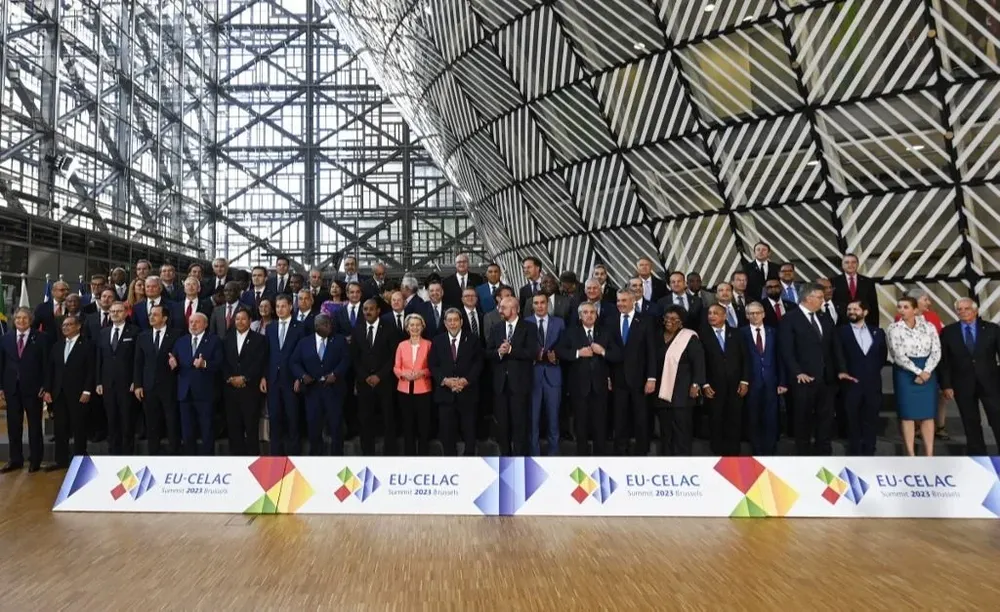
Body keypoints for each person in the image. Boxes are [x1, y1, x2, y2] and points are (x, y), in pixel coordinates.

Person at [779, 283, 850, 455]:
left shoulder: (824, 317)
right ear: (807, 298)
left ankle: (824, 453)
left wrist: (841, 369)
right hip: (804, 379)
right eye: (819, 297)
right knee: (803, 419)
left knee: (826, 419)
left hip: (827, 378)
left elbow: (835, 345)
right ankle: (803, 455)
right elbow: (786, 350)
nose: (822, 300)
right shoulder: (790, 318)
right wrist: (797, 372)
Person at [939, 298, 1000, 455]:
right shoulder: (948, 332)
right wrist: (946, 385)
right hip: (962, 383)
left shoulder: (992, 329)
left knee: (997, 418)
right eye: (959, 309)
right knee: (970, 421)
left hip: (990, 382)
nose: (963, 312)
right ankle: (978, 457)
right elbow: (944, 361)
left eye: (966, 308)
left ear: (975, 310)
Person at [556, 302, 618, 455]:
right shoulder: (570, 332)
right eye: (585, 312)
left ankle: (600, 460)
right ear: (580, 316)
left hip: (600, 387)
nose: (589, 315)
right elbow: (560, 351)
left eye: (592, 312)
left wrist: (603, 351)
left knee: (600, 427)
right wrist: (578, 353)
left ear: (597, 315)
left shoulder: (606, 332)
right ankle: (582, 460)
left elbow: (618, 355)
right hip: (579, 387)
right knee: (580, 426)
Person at [887, 296, 942, 457]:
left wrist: (926, 371)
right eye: (899, 307)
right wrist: (918, 372)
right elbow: (897, 354)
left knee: (928, 415)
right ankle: (910, 454)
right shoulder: (894, 328)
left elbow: (936, 350)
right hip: (905, 372)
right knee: (908, 415)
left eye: (906, 307)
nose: (901, 310)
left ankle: (929, 454)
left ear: (915, 310)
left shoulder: (929, 326)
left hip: (928, 370)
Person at [606, 289, 657, 456]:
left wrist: (651, 378)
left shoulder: (646, 321)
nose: (620, 304)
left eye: (624, 300)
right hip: (618, 378)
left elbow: (651, 351)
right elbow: (608, 349)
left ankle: (642, 452)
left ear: (633, 301)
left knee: (641, 417)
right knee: (619, 418)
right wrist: (607, 376)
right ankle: (620, 452)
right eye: (618, 300)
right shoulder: (611, 320)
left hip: (640, 379)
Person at [290, 314, 350, 455]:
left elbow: (346, 359)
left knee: (336, 427)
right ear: (317, 327)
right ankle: (316, 458)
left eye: (330, 323)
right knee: (314, 426)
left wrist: (335, 374)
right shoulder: (304, 342)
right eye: (325, 324)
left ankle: (337, 457)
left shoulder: (339, 340)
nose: (330, 326)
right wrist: (303, 376)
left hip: (334, 390)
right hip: (313, 391)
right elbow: (294, 362)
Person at [0, 308, 51, 473]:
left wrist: (46, 386)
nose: (21, 321)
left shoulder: (42, 338)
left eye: (25, 318)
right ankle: (15, 459)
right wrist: (1, 387)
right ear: (14, 320)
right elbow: (1, 364)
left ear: (31, 320)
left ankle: (35, 460)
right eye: (18, 318)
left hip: (34, 389)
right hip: (12, 389)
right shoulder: (5, 338)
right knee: (13, 426)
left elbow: (47, 364)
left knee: (35, 426)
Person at [487, 296, 538, 456]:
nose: (500, 310)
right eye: (500, 307)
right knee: (502, 425)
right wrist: (499, 352)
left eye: (503, 307)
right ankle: (505, 458)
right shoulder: (496, 328)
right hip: (500, 385)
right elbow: (488, 353)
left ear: (515, 309)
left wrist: (511, 350)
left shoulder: (529, 327)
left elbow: (532, 352)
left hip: (520, 384)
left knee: (520, 424)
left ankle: (519, 458)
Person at [651, 305, 705, 456]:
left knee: (682, 430)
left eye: (674, 319)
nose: (669, 321)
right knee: (665, 431)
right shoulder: (657, 336)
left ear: (681, 322)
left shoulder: (689, 337)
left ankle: (682, 461)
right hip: (662, 391)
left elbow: (698, 362)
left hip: (683, 391)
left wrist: (696, 384)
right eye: (667, 318)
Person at [429, 308, 484, 456]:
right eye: (449, 320)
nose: (452, 323)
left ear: (461, 322)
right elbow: (433, 365)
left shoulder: (472, 339)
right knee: (447, 433)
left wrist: (466, 380)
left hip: (467, 393)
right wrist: (445, 380)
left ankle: (469, 460)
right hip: (445, 394)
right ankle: (450, 462)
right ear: (445, 323)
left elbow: (478, 363)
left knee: (469, 431)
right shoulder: (437, 340)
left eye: (455, 320)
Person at [43, 315, 94, 470]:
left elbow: (91, 370)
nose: (65, 327)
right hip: (59, 394)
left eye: (69, 325)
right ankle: (61, 461)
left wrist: (87, 390)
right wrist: (47, 390)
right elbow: (50, 370)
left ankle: (80, 460)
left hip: (78, 393)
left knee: (79, 428)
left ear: (78, 326)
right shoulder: (57, 346)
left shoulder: (87, 345)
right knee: (60, 428)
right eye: (64, 325)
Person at [838, 300, 887, 456]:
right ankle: (855, 453)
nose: (851, 311)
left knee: (871, 420)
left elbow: (882, 356)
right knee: (852, 421)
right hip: (850, 384)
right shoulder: (841, 332)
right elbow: (838, 354)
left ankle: (870, 452)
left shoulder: (878, 332)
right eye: (849, 309)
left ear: (865, 312)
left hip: (873, 384)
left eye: (855, 309)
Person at [701, 304, 750, 456]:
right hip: (714, 386)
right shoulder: (702, 335)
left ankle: (733, 454)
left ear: (724, 316)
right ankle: (717, 453)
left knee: (734, 419)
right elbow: (700, 361)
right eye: (709, 313)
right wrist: (704, 383)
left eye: (715, 313)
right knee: (716, 419)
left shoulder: (736, 333)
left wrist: (745, 381)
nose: (711, 316)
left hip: (736, 386)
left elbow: (745, 358)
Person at [133, 304, 182, 455]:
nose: (151, 317)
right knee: (151, 422)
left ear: (165, 318)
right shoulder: (143, 336)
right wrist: (138, 385)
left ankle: (174, 452)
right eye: (150, 314)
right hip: (149, 386)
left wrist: (177, 364)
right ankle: (153, 453)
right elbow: (138, 362)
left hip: (170, 385)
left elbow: (182, 358)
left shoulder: (177, 335)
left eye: (155, 314)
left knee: (171, 420)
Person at [351, 299, 398, 455]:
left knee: (388, 419)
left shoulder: (390, 328)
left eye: (371, 309)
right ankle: (367, 454)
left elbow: (393, 356)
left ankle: (390, 454)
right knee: (365, 420)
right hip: (364, 382)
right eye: (365, 309)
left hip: (385, 381)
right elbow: (354, 357)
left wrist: (379, 375)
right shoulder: (357, 329)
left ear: (378, 311)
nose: (368, 312)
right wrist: (365, 376)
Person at [174, 312, 223, 455]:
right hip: (185, 393)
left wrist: (205, 364)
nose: (193, 325)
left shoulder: (214, 341)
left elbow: (220, 364)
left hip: (205, 393)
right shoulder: (181, 341)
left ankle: (208, 461)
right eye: (191, 322)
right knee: (187, 431)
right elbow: (176, 361)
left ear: (206, 324)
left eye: (197, 322)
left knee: (207, 430)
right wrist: (173, 364)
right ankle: (190, 461)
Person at [742, 302, 786, 455]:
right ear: (747, 315)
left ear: (763, 314)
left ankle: (770, 452)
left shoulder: (773, 332)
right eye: (751, 313)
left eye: (758, 313)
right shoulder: (741, 333)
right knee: (753, 417)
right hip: (751, 382)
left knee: (771, 418)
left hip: (771, 382)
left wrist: (782, 381)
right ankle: (757, 452)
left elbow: (780, 357)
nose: (755, 316)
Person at [96, 302, 140, 455]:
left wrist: (136, 381)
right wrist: (98, 381)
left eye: (118, 311)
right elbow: (99, 359)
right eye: (112, 311)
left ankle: (127, 455)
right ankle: (113, 454)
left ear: (126, 313)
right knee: (111, 420)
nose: (115, 314)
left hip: (127, 384)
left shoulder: (134, 331)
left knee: (127, 421)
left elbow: (137, 359)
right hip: (108, 384)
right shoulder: (103, 332)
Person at [263, 294, 305, 455]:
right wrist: (263, 377)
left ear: (290, 307)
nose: (280, 309)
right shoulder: (270, 328)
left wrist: (299, 377)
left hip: (291, 380)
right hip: (273, 380)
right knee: (275, 419)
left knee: (293, 419)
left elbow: (303, 355)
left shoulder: (300, 327)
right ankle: (276, 457)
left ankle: (294, 456)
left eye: (283, 306)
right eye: (277, 306)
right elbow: (266, 354)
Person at [223, 310, 268, 456]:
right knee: (233, 428)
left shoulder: (259, 339)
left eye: (243, 319)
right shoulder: (227, 339)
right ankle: (236, 460)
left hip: (250, 390)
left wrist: (245, 378)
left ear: (250, 321)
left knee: (251, 428)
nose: (240, 322)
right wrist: (231, 378)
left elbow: (260, 362)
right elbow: (223, 362)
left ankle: (252, 460)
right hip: (231, 391)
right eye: (237, 319)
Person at [525, 292, 564, 456]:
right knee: (532, 420)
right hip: (533, 376)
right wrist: (535, 355)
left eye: (542, 302)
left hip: (553, 376)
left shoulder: (559, 322)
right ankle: (534, 456)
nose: (539, 306)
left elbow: (564, 345)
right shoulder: (526, 322)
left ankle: (553, 457)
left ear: (548, 304)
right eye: (536, 303)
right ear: (532, 305)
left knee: (553, 420)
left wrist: (557, 356)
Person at [394, 314, 434, 455]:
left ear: (422, 327)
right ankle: (409, 456)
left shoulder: (429, 344)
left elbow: (433, 367)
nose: (415, 327)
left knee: (423, 426)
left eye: (418, 325)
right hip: (404, 389)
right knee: (407, 425)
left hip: (423, 389)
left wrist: (422, 373)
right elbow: (396, 367)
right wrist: (403, 374)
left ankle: (423, 455)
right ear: (407, 327)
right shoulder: (401, 345)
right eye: (412, 325)